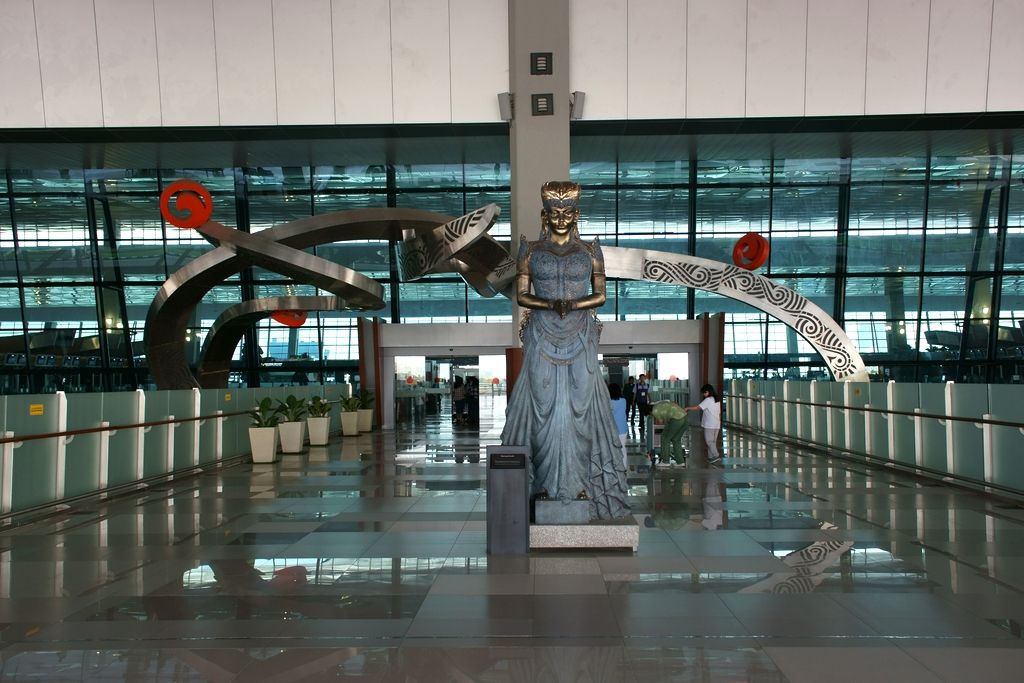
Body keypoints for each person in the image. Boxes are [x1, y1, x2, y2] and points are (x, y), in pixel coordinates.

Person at [501, 181, 629, 520]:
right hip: (542, 334)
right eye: (555, 212)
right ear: (545, 215)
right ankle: (543, 486)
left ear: (576, 214)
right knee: (543, 409)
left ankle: (580, 486)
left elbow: (600, 295)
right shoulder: (530, 250)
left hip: (580, 335)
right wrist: (549, 304)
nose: (561, 218)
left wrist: (571, 304)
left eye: (567, 212)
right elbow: (522, 295)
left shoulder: (590, 251)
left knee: (580, 409)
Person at [684, 383, 722, 464]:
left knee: (709, 441)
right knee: (713, 442)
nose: (704, 394)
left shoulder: (708, 400)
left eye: (704, 393)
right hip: (717, 423)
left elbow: (698, 407)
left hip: (710, 424)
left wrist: (687, 408)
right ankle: (711, 457)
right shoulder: (717, 399)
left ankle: (716, 455)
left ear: (708, 391)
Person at [649, 400, 687, 466]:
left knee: (665, 438)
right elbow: (675, 403)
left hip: (676, 420)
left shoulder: (654, 411)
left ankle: (665, 461)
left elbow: (660, 422)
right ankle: (680, 462)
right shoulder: (661, 403)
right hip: (685, 418)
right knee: (676, 439)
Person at [608, 383, 628, 469]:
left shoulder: (608, 402)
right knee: (622, 448)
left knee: (611, 449)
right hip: (623, 429)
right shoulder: (623, 401)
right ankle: (624, 467)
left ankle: (613, 467)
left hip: (611, 429)